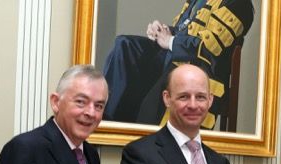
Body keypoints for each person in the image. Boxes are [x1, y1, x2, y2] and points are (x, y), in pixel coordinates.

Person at [102, 0, 254, 127]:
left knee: (153, 86)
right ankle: (108, 121)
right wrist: (162, 32)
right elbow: (185, 32)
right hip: (173, 60)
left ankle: (124, 128)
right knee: (125, 45)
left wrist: (170, 41)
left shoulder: (238, 3)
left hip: (198, 73)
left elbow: (209, 47)